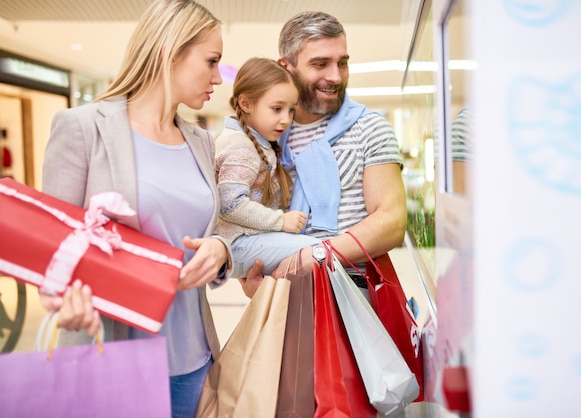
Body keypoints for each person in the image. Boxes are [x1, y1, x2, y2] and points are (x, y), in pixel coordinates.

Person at [38, 1, 231, 416]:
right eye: (212, 61)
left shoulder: (200, 141)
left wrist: (219, 250)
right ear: (170, 50)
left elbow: (213, 228)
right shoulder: (83, 128)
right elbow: (54, 252)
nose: (218, 77)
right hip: (113, 356)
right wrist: (64, 301)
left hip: (195, 359)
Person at [240, 11, 407, 296]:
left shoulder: (369, 128)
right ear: (287, 67)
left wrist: (315, 256)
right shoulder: (266, 140)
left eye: (342, 63)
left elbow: (391, 221)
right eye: (320, 64)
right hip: (282, 296)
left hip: (354, 299)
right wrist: (253, 275)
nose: (335, 76)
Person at [214, 57, 320, 278]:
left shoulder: (258, 142)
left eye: (290, 110)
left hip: (246, 241)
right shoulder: (239, 145)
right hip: (236, 244)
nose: (286, 119)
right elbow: (230, 204)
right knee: (321, 251)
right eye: (277, 109)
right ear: (246, 104)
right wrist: (280, 221)